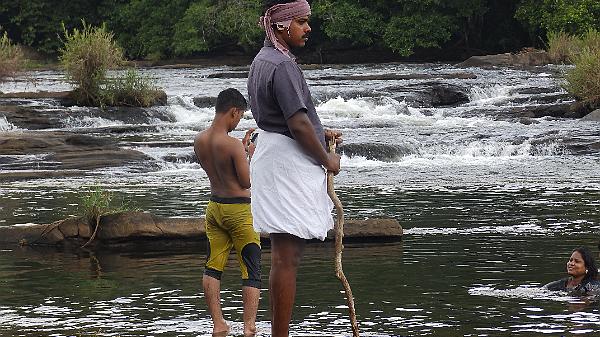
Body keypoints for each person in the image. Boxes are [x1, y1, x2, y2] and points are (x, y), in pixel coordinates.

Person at [247, 1, 341, 336]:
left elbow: (289, 120)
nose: (308, 28)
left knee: (283, 256)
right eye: (302, 22)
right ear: (282, 26)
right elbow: (298, 123)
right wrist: (326, 158)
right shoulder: (282, 66)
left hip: (274, 156)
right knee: (287, 258)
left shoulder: (264, 59)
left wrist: (320, 132)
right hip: (286, 163)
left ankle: (279, 332)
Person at [194, 88, 261, 337]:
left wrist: (240, 152)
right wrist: (249, 156)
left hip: (214, 207)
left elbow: (218, 171)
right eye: (240, 117)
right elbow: (245, 182)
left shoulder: (200, 140)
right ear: (233, 111)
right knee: (251, 267)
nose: (238, 122)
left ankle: (218, 324)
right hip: (239, 211)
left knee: (213, 266)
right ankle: (249, 326)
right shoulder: (233, 145)